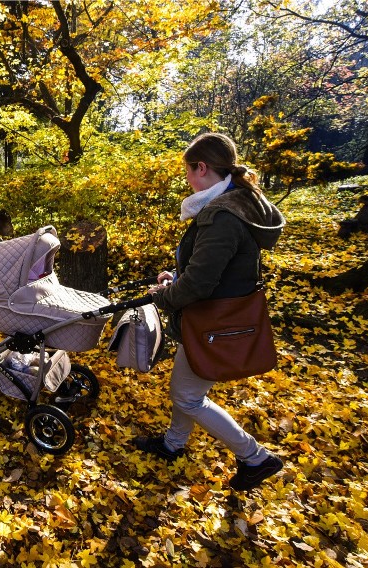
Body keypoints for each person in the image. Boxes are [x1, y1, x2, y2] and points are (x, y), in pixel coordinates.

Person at [133, 132, 286, 491]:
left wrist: (165, 297)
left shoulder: (223, 215)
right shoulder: (237, 202)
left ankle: (255, 458)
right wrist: (177, 276)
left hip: (213, 319)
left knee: (188, 395)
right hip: (209, 317)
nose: (187, 179)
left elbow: (202, 283)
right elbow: (209, 269)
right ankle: (173, 444)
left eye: (188, 171)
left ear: (202, 167)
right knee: (185, 388)